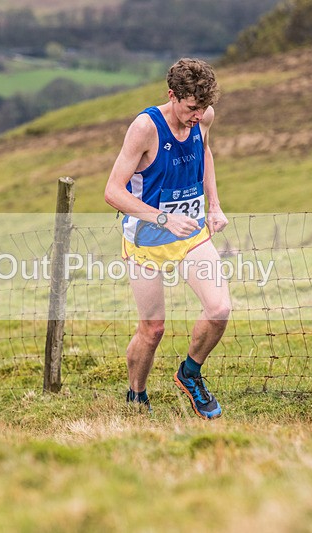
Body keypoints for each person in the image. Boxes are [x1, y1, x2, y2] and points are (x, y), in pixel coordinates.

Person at [104, 58, 231, 420]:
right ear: (172, 96)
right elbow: (112, 192)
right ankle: (137, 395)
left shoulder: (202, 118)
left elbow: (205, 152)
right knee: (153, 329)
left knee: (220, 309)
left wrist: (214, 206)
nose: (198, 115)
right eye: (192, 107)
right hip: (146, 237)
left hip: (190, 232)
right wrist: (162, 218)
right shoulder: (145, 128)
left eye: (204, 108)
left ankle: (190, 373)